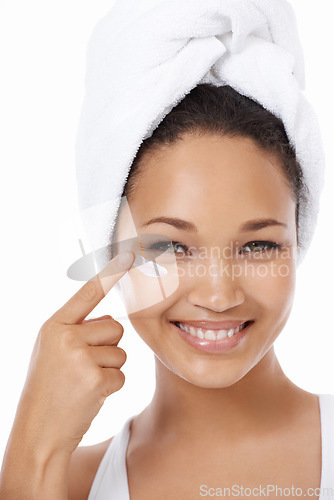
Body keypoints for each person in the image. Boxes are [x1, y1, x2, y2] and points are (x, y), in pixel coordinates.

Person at [1, 2, 333, 500]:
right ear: (109, 247)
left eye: (259, 244)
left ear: (298, 238)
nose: (219, 295)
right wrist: (35, 444)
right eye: (173, 246)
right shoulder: (59, 484)